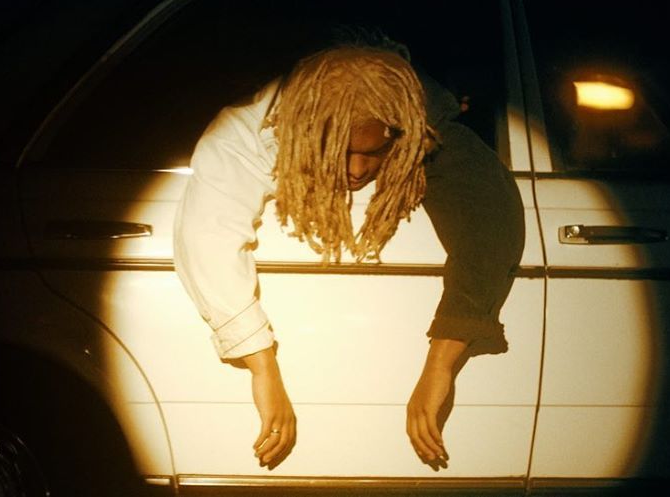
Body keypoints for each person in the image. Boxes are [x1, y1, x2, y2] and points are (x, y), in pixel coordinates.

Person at [173, 31, 525, 469]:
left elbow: (489, 220)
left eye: (374, 153)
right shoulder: (248, 133)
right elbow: (209, 234)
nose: (357, 171)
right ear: (303, 133)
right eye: (342, 152)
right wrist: (263, 368)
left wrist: (441, 364)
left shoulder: (422, 127)